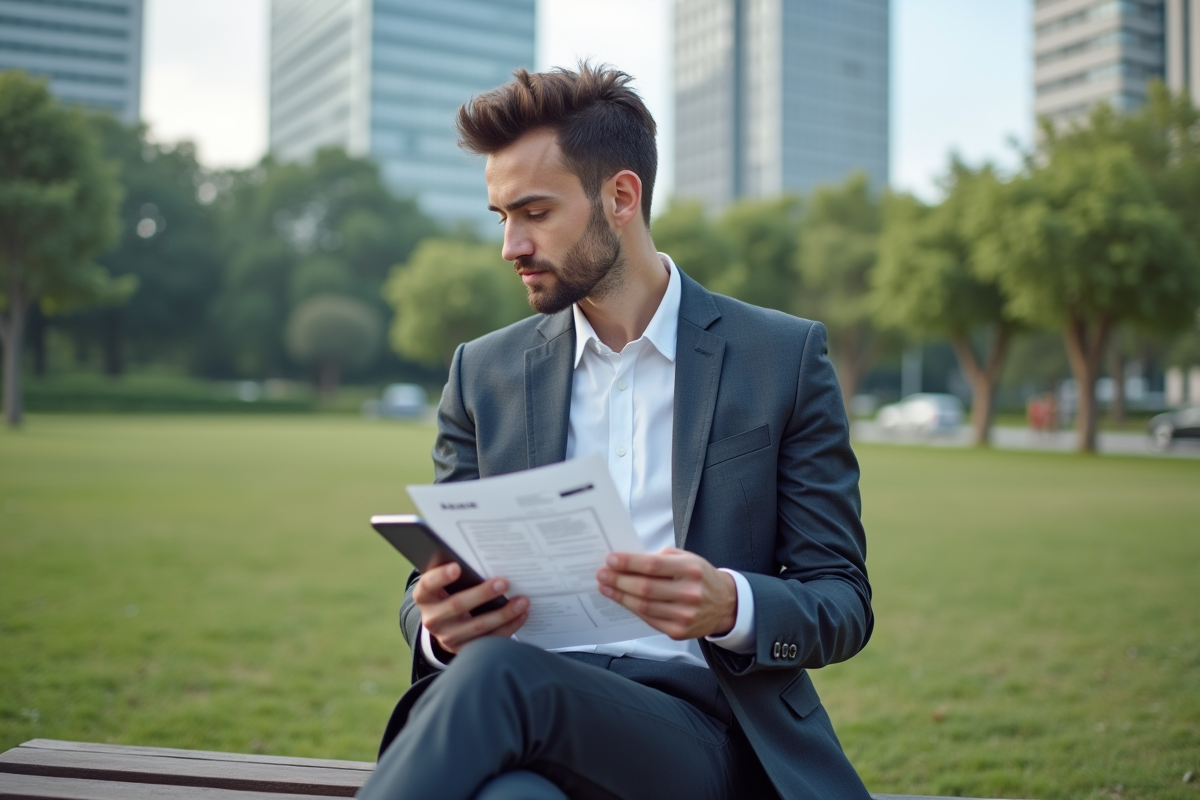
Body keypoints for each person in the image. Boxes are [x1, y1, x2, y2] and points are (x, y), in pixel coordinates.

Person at [358, 64, 873, 800]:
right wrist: (439, 626)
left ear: (621, 197)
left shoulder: (780, 359)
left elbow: (842, 599)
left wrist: (731, 603)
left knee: (501, 675)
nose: (511, 245)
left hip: (704, 732)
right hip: (528, 724)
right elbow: (429, 582)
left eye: (534, 212)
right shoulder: (484, 373)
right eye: (500, 217)